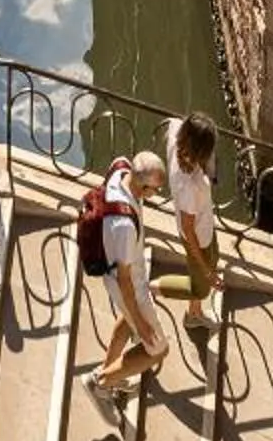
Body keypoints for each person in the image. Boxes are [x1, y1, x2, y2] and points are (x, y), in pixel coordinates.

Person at [87, 152, 168, 411]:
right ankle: (100, 382)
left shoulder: (119, 165)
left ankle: (111, 373)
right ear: (143, 188)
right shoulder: (124, 227)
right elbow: (125, 281)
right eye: (156, 189)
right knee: (157, 349)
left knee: (125, 323)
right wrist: (142, 324)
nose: (158, 192)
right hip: (129, 285)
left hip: (128, 276)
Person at [163, 112, 221, 334]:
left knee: (214, 259)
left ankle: (195, 313)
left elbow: (175, 121)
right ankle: (150, 289)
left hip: (204, 226)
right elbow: (189, 230)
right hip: (197, 236)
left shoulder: (176, 133)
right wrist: (206, 271)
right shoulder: (192, 185)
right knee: (201, 289)